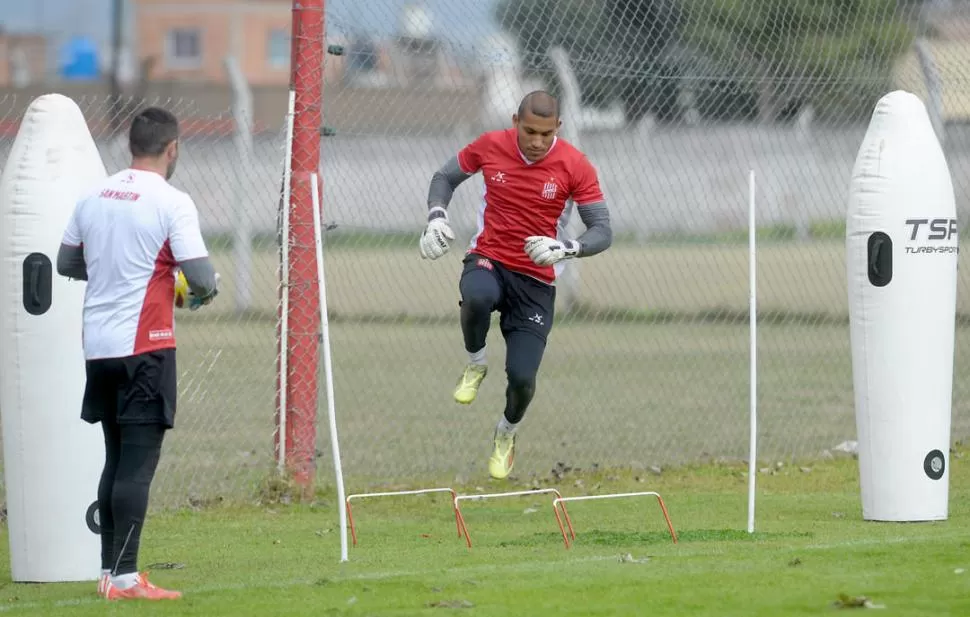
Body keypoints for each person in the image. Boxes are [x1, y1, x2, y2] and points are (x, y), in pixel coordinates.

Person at [56, 107, 219, 601]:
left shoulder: (94, 194)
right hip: (145, 348)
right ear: (172, 149)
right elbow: (205, 281)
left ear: (132, 145)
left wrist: (114, 273)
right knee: (137, 466)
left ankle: (110, 573)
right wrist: (189, 294)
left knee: (115, 459)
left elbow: (67, 260)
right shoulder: (172, 201)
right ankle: (125, 580)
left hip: (98, 347)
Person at [419, 90, 613, 480]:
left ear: (557, 128)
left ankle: (505, 434)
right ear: (515, 122)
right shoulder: (491, 146)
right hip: (489, 258)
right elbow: (444, 177)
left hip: (537, 282)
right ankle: (475, 363)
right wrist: (436, 216)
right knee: (477, 296)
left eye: (545, 133)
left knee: (523, 379)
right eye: (529, 132)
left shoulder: (575, 165)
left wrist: (566, 248)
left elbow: (602, 230)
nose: (537, 142)